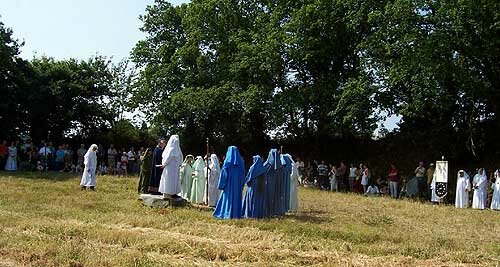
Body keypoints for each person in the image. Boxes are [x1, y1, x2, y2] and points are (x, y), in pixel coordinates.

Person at [213, 146, 246, 219]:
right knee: (236, 198)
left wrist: (221, 185)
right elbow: (243, 175)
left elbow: (224, 175)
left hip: (229, 185)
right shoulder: (241, 163)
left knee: (228, 199)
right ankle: (236, 214)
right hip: (237, 186)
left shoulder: (227, 162)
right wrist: (241, 185)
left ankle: (227, 213)